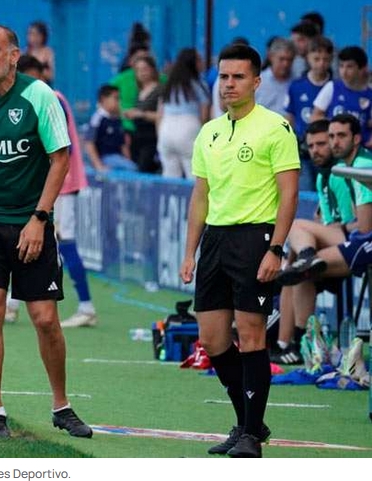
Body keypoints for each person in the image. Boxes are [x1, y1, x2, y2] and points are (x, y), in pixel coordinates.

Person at [0, 24, 92, 438]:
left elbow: (60, 159)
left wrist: (40, 219)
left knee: (44, 318)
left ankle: (61, 406)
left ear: (14, 56)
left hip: (31, 220)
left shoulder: (39, 96)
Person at [180, 44, 300, 457]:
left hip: (255, 240)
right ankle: (250, 423)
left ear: (256, 81)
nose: (228, 85)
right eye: (223, 77)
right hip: (214, 240)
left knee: (251, 337)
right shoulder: (209, 131)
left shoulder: (275, 128)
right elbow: (200, 196)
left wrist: (277, 249)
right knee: (212, 341)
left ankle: (249, 434)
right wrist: (189, 251)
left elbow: (289, 195)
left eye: (238, 77)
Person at [16, 54, 99, 327]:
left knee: (65, 241)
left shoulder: (51, 99)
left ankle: (86, 306)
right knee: (30, 238)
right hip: (49, 187)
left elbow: (62, 148)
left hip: (63, 186)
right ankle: (11, 303)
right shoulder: (37, 100)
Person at [272, 119, 355, 364]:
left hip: (352, 245)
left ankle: (294, 343)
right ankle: (287, 344)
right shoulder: (323, 178)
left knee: (296, 231)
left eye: (323, 143)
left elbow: (355, 224)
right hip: (334, 244)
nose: (316, 149)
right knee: (296, 269)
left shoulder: (348, 172)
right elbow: (323, 218)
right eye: (311, 145)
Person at [278, 114, 372, 286]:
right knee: (301, 268)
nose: (335, 142)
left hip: (363, 242)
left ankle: (303, 259)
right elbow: (331, 222)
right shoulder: (333, 173)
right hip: (354, 237)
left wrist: (339, 227)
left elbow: (363, 228)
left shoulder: (361, 167)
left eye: (341, 136)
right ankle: (303, 260)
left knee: (301, 263)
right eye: (331, 136)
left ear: (356, 138)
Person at [284, 36, 334, 191]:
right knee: (305, 191)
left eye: (325, 59)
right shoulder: (296, 86)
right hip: (303, 151)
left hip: (329, 152)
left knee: (328, 191)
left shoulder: (335, 87)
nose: (321, 64)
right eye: (316, 59)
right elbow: (289, 117)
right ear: (307, 58)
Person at [157, 48, 210, 178]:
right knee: (194, 175)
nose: (202, 62)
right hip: (188, 127)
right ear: (193, 63)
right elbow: (204, 114)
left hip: (166, 129)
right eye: (199, 59)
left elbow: (160, 114)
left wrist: (159, 135)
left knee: (169, 175)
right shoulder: (198, 84)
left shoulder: (169, 85)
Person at [312, 46, 372, 147]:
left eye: (349, 67)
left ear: (362, 68)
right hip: (333, 150)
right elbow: (315, 116)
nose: (344, 71)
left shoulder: (370, 94)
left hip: (361, 150)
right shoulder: (332, 87)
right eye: (341, 66)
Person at [84, 84, 137, 172]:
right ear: (104, 99)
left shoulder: (117, 119)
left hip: (117, 158)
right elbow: (89, 143)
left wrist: (128, 160)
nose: (119, 102)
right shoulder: (97, 119)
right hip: (104, 159)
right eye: (116, 98)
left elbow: (123, 144)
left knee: (132, 168)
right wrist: (98, 165)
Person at [124, 55, 162, 173]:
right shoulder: (140, 91)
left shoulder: (160, 90)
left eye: (145, 69)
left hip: (151, 139)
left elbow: (162, 116)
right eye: (138, 70)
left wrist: (141, 114)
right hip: (137, 138)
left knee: (145, 168)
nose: (141, 73)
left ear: (152, 69)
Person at [255, 37, 295, 115]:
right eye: (282, 59)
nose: (286, 64)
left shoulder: (297, 82)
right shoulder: (258, 82)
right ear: (271, 57)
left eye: (289, 60)